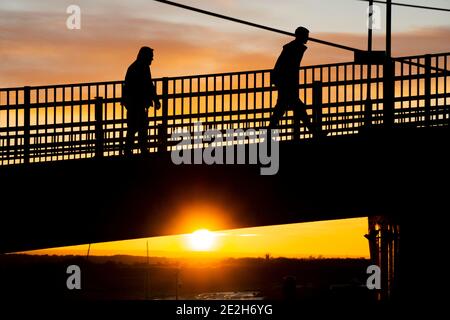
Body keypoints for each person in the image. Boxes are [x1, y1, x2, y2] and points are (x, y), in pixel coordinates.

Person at [269, 27, 324, 137]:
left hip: (285, 83)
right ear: (301, 36)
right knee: (296, 109)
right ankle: (315, 132)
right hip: (286, 83)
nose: (308, 38)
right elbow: (284, 65)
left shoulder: (292, 47)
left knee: (282, 110)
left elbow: (281, 64)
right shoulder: (293, 48)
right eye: (306, 36)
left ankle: (269, 133)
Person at [122, 46, 161, 156]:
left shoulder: (134, 67)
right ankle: (140, 151)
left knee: (135, 128)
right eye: (151, 57)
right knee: (139, 128)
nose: (152, 59)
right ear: (146, 56)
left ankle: (131, 151)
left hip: (134, 104)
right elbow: (148, 85)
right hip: (137, 104)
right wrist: (155, 100)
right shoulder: (142, 68)